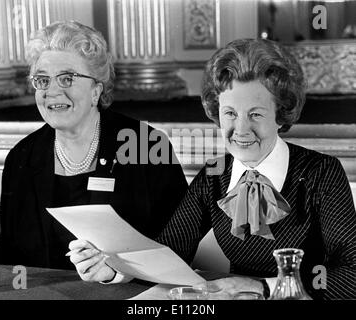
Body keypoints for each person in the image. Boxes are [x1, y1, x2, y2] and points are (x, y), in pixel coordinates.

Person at [69, 38, 356, 299]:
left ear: (281, 115)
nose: (241, 130)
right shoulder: (214, 175)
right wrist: (112, 269)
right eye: (230, 113)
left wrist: (263, 288)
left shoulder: (322, 173)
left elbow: (352, 273)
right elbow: (169, 252)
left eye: (255, 114)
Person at [0, 21, 188, 271]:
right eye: (42, 80)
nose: (51, 91)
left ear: (96, 90)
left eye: (66, 79)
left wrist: (121, 272)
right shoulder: (22, 156)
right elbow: (11, 258)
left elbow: (182, 244)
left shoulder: (146, 145)